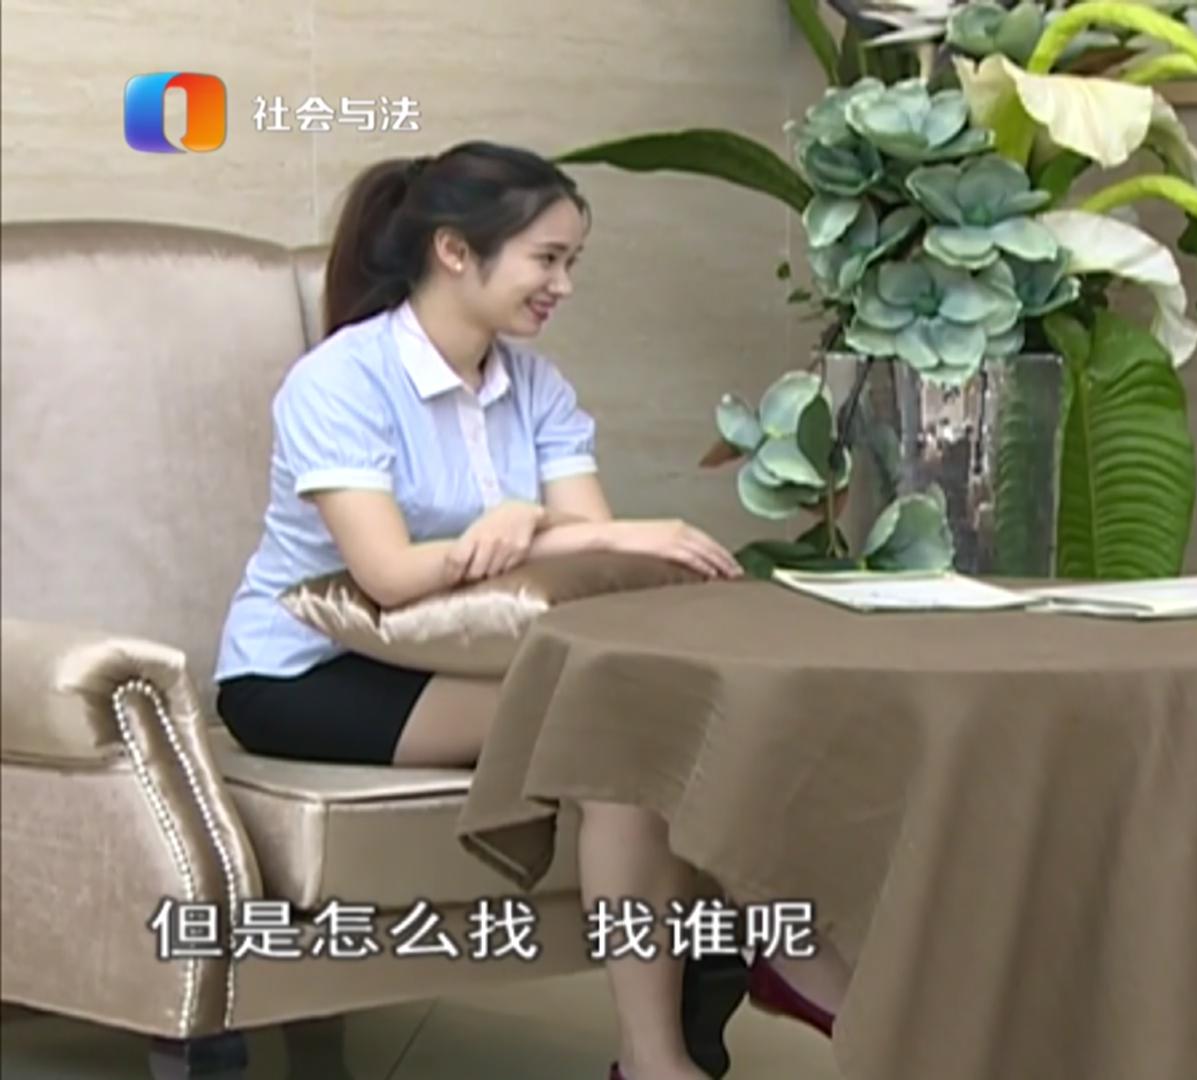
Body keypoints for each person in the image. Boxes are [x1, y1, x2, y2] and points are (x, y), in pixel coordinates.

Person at [212, 141, 850, 1080]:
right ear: (454, 251)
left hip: (454, 656)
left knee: (652, 717)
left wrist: (537, 525)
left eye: (571, 262)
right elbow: (386, 575)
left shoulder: (536, 387)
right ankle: (727, 1006)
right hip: (305, 673)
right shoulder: (341, 381)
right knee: (621, 731)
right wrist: (528, 529)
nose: (563, 286)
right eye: (546, 259)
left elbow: (590, 551)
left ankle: (702, 1017)